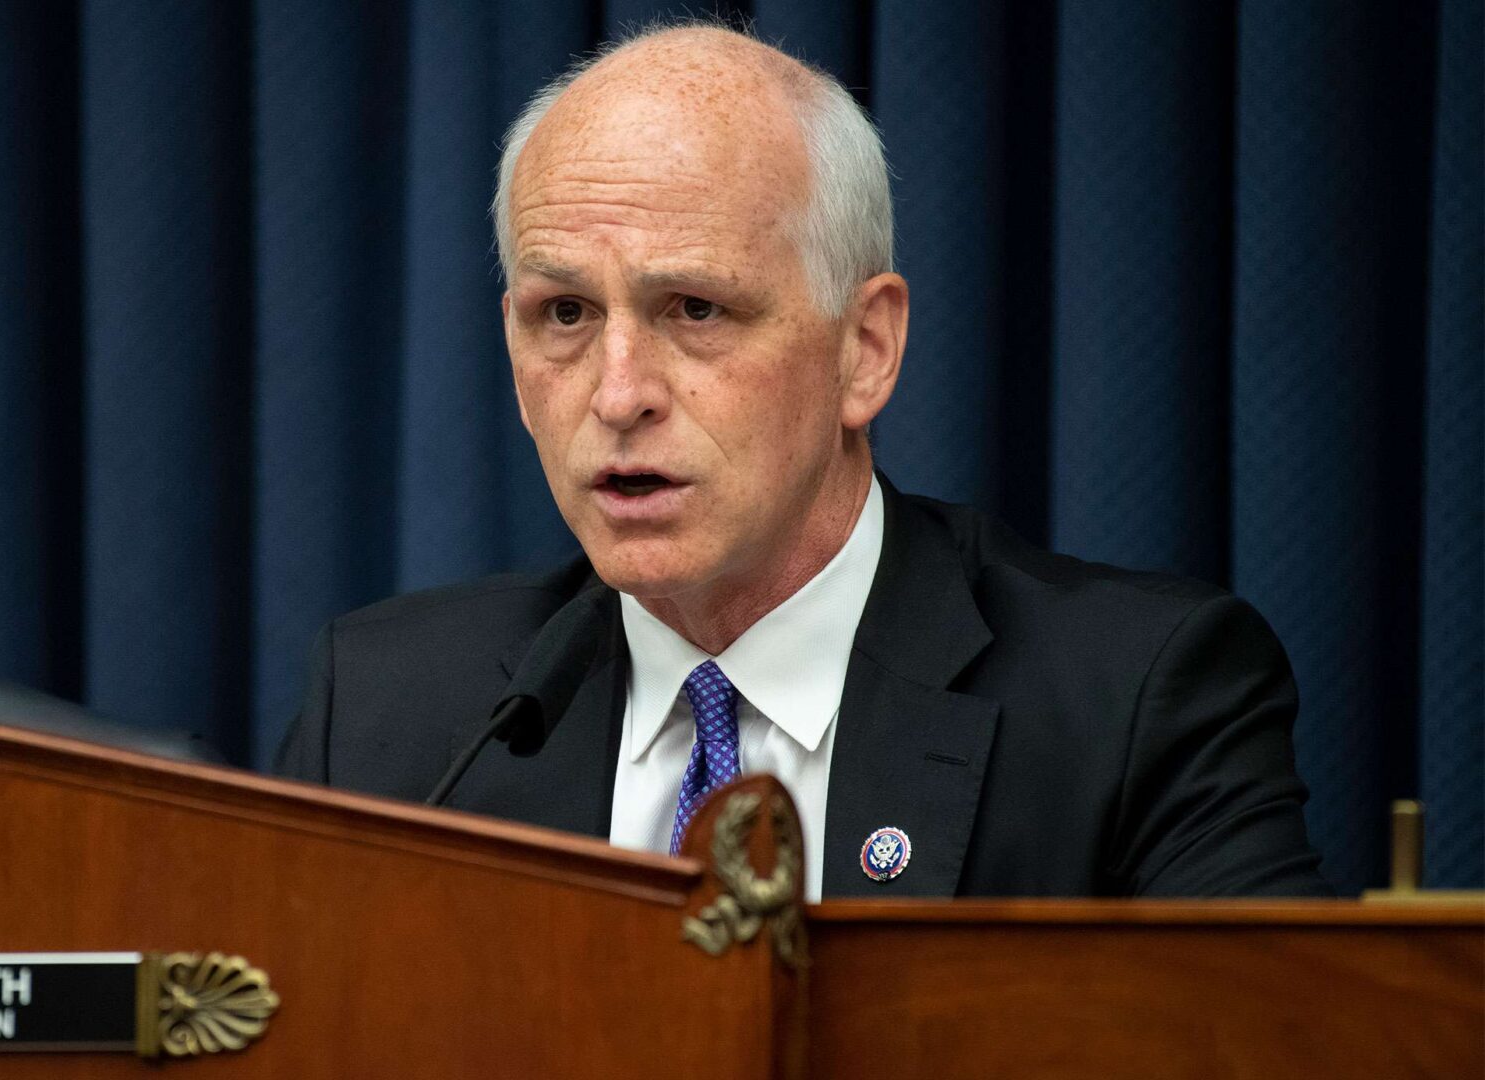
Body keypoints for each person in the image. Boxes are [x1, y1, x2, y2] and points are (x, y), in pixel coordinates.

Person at [276, 24, 1329, 898]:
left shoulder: (1137, 703)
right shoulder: (390, 716)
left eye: (694, 309)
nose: (616, 392)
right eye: (564, 314)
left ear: (862, 349)